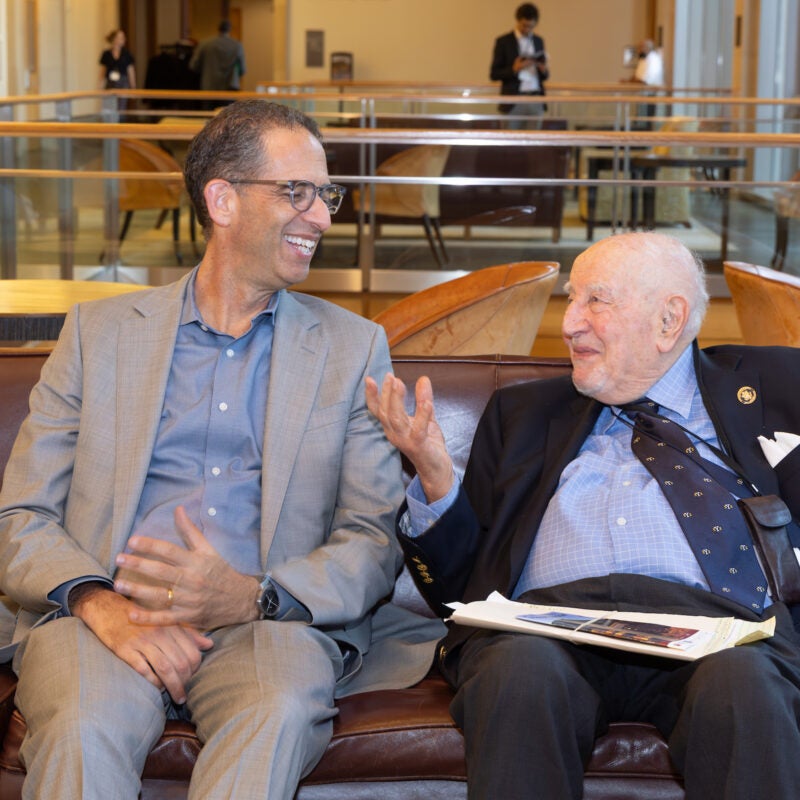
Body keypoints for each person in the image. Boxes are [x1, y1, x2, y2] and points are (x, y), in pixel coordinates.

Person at [0, 99, 443, 799]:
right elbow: (20, 515)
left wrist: (252, 596)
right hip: (104, 619)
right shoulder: (98, 335)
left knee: (274, 709)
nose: (323, 217)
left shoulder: (350, 348)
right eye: (297, 192)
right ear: (223, 200)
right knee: (83, 725)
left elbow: (370, 540)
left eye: (326, 195)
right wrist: (95, 601)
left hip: (268, 626)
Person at [366, 231, 800, 799]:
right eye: (571, 299)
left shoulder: (775, 385)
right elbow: (461, 588)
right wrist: (434, 475)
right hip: (549, 631)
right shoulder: (524, 412)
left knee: (747, 687)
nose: (569, 322)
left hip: (718, 628)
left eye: (595, 300)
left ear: (670, 320)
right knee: (516, 676)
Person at [489, 3, 549, 129]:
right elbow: (494, 74)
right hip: (513, 100)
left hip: (535, 98)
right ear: (517, 21)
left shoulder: (538, 41)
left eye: (531, 27)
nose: (527, 30)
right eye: (524, 26)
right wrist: (514, 68)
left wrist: (543, 70)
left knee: (534, 144)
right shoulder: (504, 41)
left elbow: (544, 76)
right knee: (510, 143)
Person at [190, 19, 246, 99]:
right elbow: (243, 69)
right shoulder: (237, 46)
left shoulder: (205, 44)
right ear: (230, 29)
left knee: (208, 111)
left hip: (209, 86)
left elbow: (194, 65)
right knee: (227, 111)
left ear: (218, 28)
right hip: (229, 87)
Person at [99, 29, 136, 111]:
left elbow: (131, 72)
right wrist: (100, 87)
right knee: (108, 107)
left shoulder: (126, 54)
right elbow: (103, 72)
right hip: (110, 82)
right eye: (120, 37)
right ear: (114, 39)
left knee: (121, 107)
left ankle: (120, 122)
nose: (122, 40)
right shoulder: (106, 54)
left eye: (123, 38)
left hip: (123, 82)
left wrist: (133, 88)